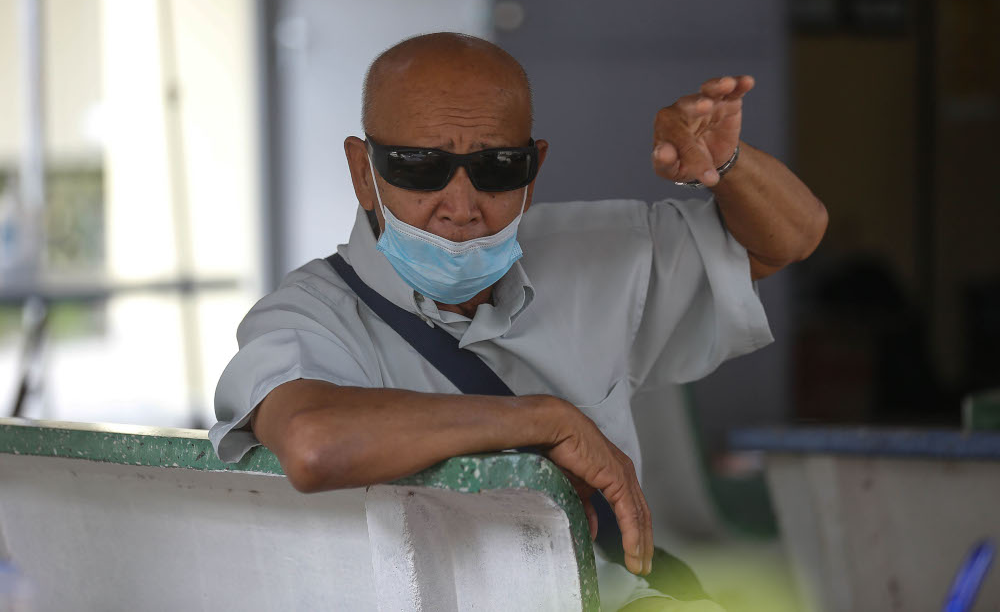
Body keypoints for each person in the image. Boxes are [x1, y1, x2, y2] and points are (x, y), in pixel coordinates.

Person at [210, 32, 827, 610]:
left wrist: (729, 166)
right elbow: (316, 444)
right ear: (361, 172)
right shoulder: (309, 315)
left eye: (496, 168)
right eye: (420, 168)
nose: (461, 206)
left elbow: (788, 241)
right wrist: (543, 420)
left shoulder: (597, 251)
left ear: (533, 171)